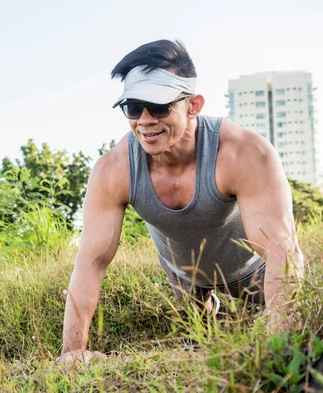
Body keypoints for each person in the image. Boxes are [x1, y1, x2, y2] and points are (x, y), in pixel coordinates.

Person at [57, 39, 304, 364]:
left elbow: (281, 252)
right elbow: (91, 261)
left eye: (159, 107)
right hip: (184, 278)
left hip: (250, 272)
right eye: (133, 107)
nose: (144, 120)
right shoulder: (114, 170)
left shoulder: (243, 153)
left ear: (194, 105)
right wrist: (73, 351)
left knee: (277, 348)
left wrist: (280, 344)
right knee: (198, 357)